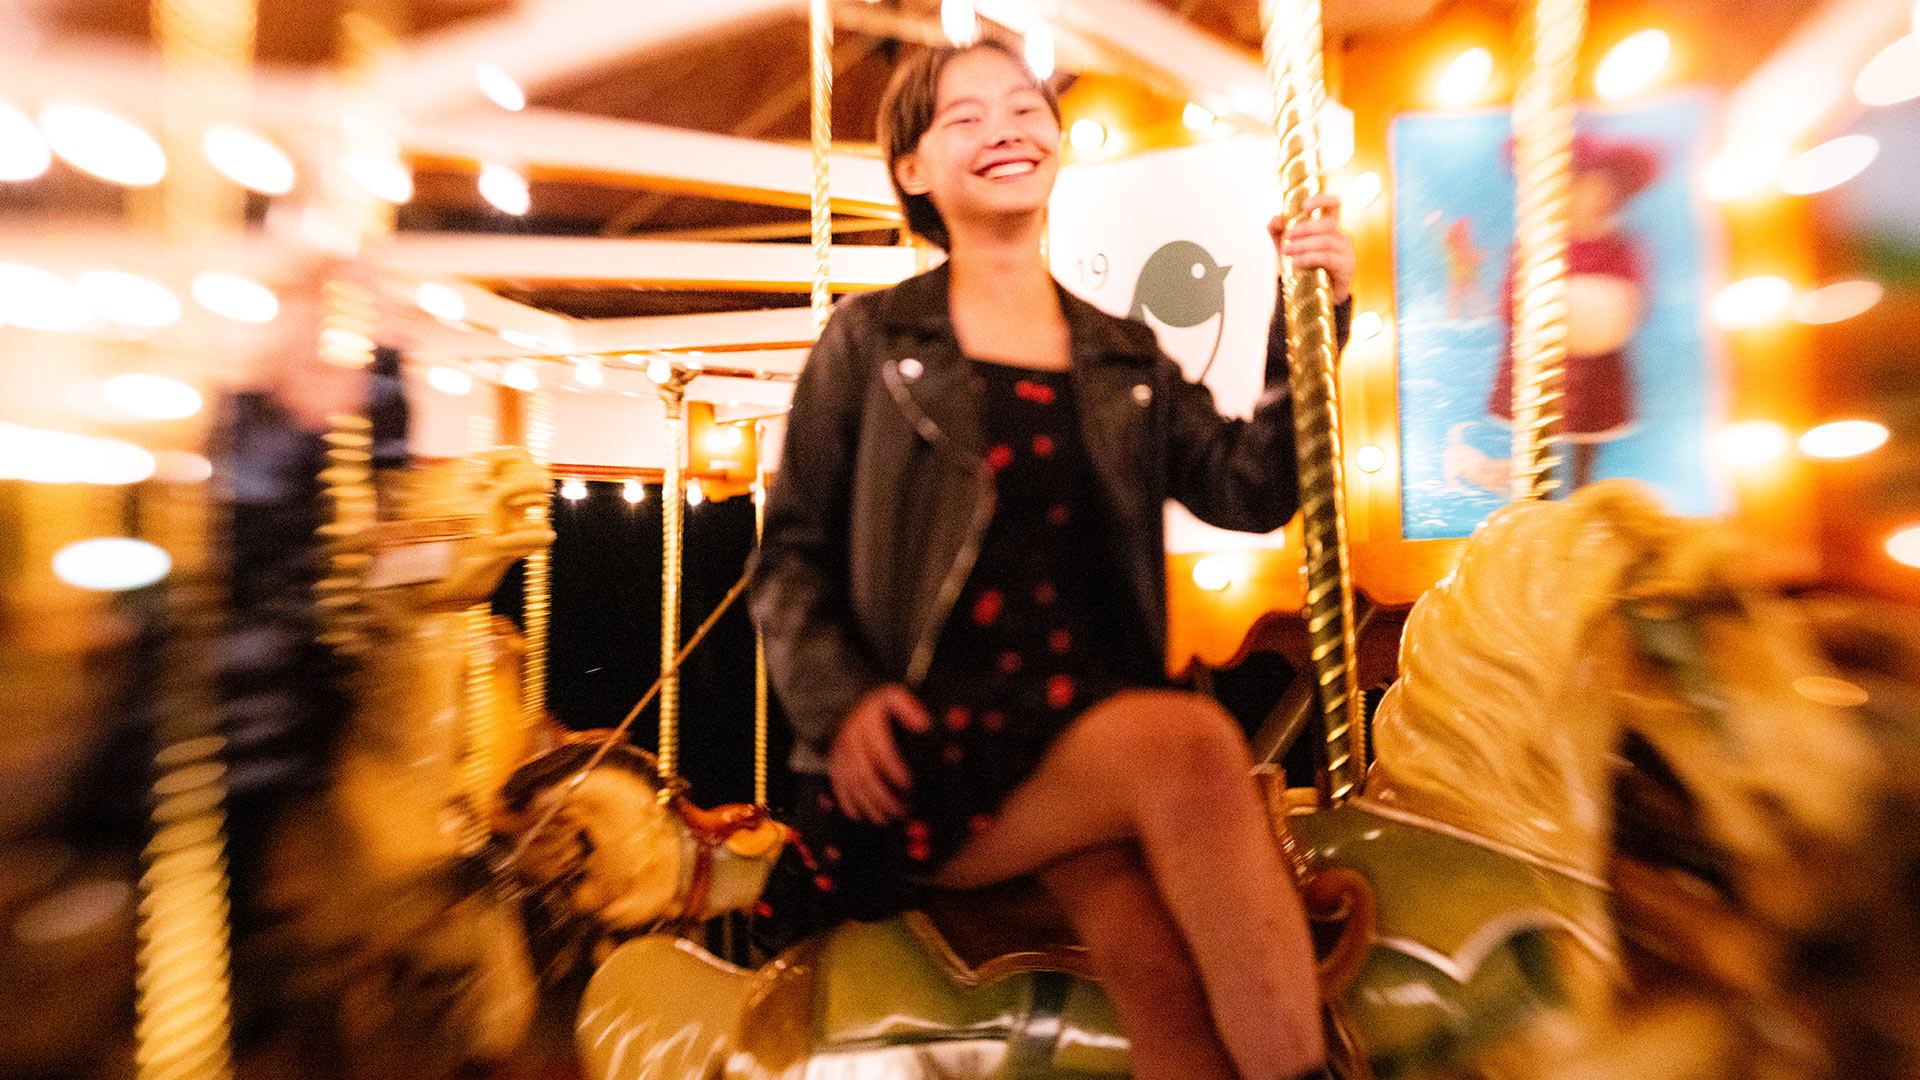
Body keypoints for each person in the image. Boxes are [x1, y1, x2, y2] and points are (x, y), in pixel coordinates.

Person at [749, 39, 1354, 1080]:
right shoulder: (869, 344)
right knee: (1199, 748)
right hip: (935, 741)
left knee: (1157, 971)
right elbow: (792, 553)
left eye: (1023, 108)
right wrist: (839, 704)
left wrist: (1309, 322)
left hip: (1079, 742)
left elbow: (1250, 488)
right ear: (911, 171)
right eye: (965, 118)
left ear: (1055, 141)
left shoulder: (1119, 354)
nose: (1004, 129)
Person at [1488, 133, 1661, 491]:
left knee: (1587, 439)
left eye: (1604, 192)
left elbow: (1635, 300)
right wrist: (1530, 310)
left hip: (1597, 369)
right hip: (1542, 364)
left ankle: (1581, 496)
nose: (1594, 200)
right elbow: (1509, 301)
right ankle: (1535, 494)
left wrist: (1614, 309)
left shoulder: (1621, 247)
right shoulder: (1536, 245)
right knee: (1539, 434)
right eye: (1584, 189)